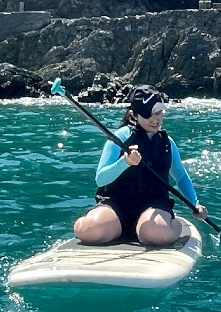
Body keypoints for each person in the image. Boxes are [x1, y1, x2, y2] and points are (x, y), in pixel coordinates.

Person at [73, 84, 208, 246]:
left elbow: (181, 176)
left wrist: (195, 203)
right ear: (134, 115)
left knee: (156, 234)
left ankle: (173, 223)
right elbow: (101, 179)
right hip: (116, 205)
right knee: (90, 231)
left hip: (154, 206)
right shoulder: (120, 138)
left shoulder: (167, 143)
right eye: (149, 115)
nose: (155, 119)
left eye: (159, 113)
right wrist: (125, 162)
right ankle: (102, 223)